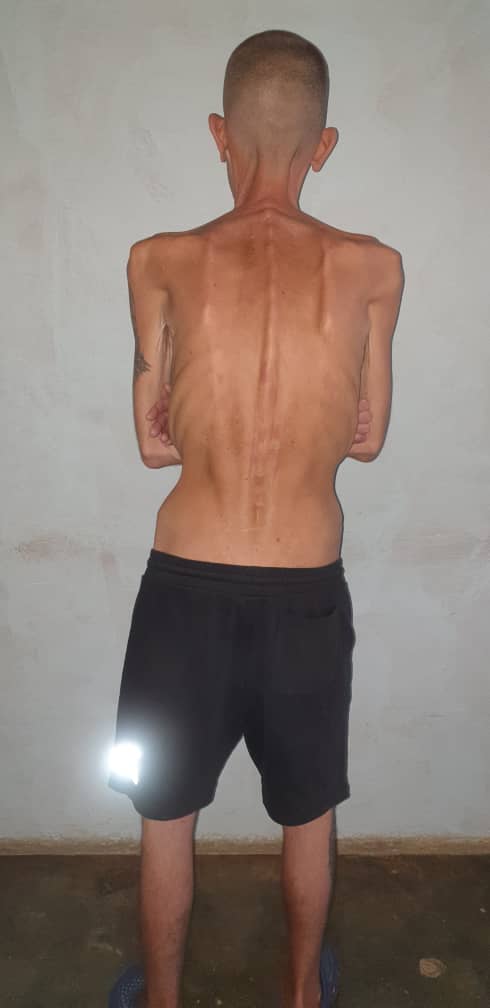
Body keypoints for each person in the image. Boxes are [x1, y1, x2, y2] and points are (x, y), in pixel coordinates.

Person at [107, 28, 404, 1008]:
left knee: (165, 816)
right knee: (307, 814)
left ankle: (161, 1000)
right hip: (306, 589)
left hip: (185, 584)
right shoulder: (372, 268)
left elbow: (153, 446)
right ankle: (301, 996)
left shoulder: (158, 260)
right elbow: (368, 438)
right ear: (324, 145)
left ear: (218, 134)